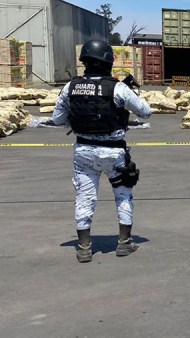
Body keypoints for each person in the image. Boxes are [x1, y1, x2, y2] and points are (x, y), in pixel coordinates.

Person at [51, 40, 151, 263]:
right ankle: (124, 242)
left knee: (84, 198)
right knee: (123, 195)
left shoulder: (70, 87)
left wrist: (77, 120)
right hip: (114, 152)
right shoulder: (118, 88)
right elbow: (145, 112)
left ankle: (84, 248)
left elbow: (57, 119)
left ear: (84, 62)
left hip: (84, 151)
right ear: (108, 62)